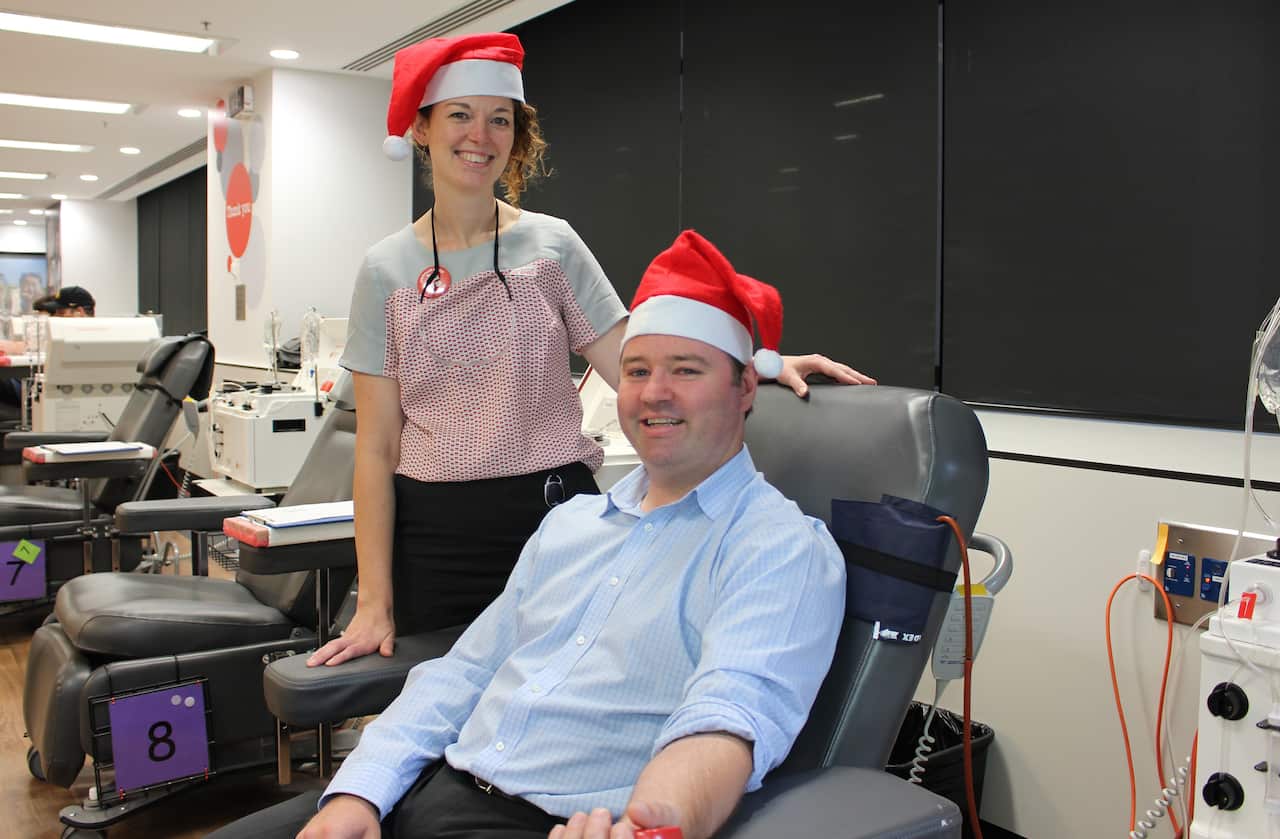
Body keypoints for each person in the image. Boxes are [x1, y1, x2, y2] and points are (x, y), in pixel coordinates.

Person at [209, 230, 847, 839]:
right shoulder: (571, 524)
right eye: (636, 370)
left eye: (686, 370)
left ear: (745, 388)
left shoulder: (776, 547)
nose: (654, 394)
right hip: (422, 789)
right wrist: (358, 792)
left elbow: (728, 717)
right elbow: (463, 673)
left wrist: (655, 819)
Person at [308, 32, 871, 669]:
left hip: (557, 521)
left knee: (563, 699)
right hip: (435, 541)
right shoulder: (385, 270)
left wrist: (758, 363)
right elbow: (377, 448)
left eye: (500, 120)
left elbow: (639, 361)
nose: (480, 135)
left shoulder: (553, 246)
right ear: (422, 128)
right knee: (443, 713)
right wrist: (374, 600)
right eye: (460, 115)